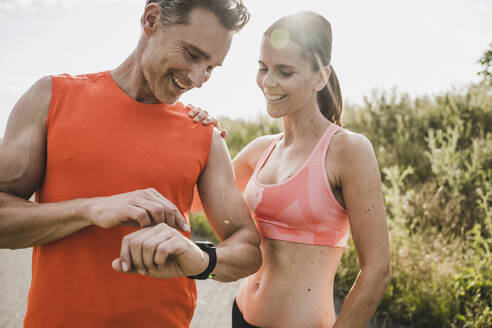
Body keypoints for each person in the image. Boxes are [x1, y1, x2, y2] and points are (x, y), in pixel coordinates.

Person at [0, 1, 262, 327]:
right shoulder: (51, 98)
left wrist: (201, 258)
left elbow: (248, 247)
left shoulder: (204, 134)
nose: (198, 79)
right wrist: (90, 209)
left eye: (211, 67)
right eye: (192, 55)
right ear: (151, 20)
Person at [188, 11, 391, 328]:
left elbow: (377, 270)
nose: (268, 82)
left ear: (320, 77)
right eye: (263, 68)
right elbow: (195, 202)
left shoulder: (347, 151)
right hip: (241, 315)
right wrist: (200, 138)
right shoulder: (261, 149)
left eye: (284, 71)